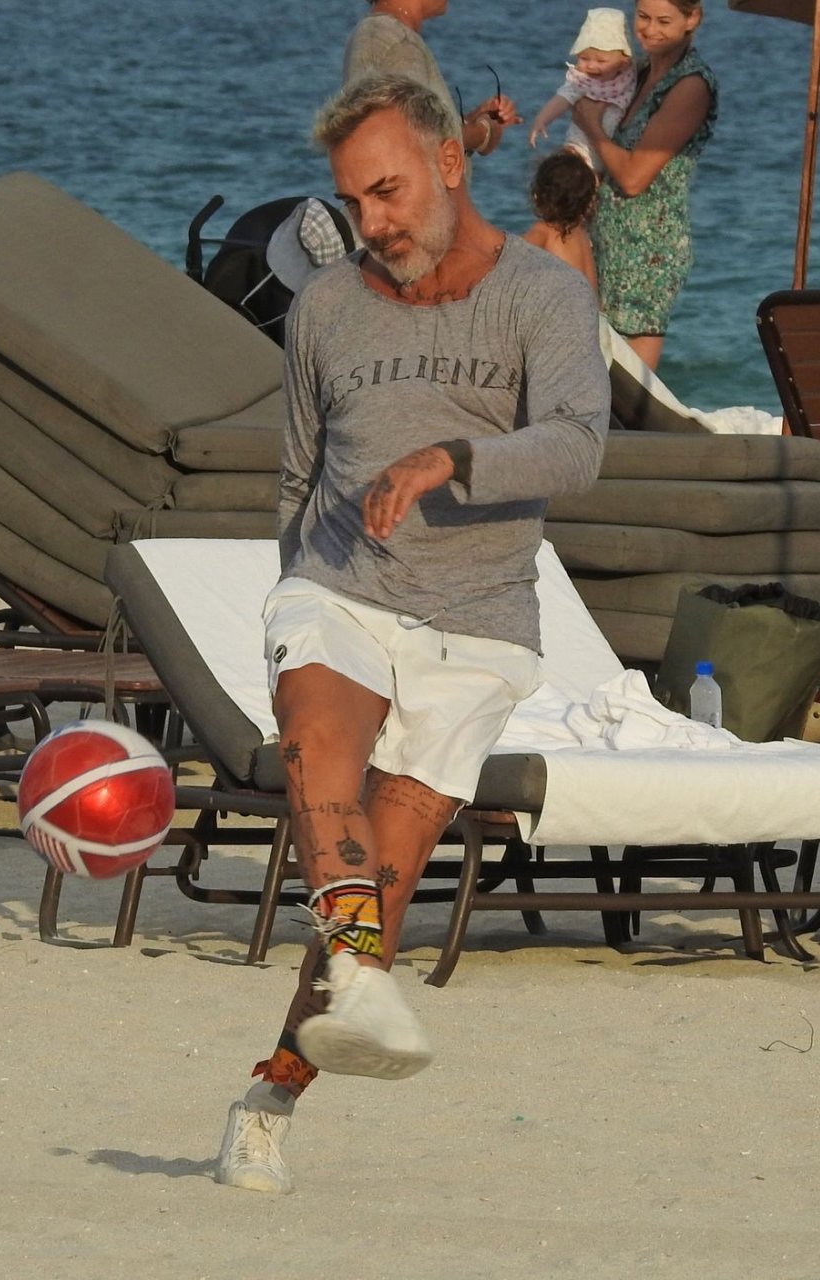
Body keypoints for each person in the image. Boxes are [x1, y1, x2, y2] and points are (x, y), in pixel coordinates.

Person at [214, 73, 609, 1195]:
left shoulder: (542, 294)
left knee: (374, 895)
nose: (371, 222)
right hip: (339, 585)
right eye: (352, 200)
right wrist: (294, 600)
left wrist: (451, 458)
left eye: (386, 192)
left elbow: (580, 444)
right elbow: (299, 474)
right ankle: (357, 975)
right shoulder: (327, 305)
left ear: (448, 162)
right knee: (317, 749)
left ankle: (270, 1096)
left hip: (480, 625)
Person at [573, 0, 716, 371]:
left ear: (692, 18)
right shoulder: (636, 72)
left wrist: (590, 125)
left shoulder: (690, 85)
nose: (650, 30)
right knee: (588, 370)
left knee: (628, 385)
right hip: (603, 236)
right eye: (643, 17)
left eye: (664, 21)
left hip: (648, 249)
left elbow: (635, 177)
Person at [344, 0, 519, 156]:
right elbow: (422, 139)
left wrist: (472, 118)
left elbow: (412, 129)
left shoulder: (380, 33)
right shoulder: (398, 43)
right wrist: (484, 132)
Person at [526, 8, 637, 173]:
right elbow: (561, 99)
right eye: (584, 58)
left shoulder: (630, 80)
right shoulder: (582, 81)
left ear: (623, 63)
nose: (591, 66)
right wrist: (542, 119)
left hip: (611, 153)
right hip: (579, 149)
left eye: (601, 61)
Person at [521, 150, 598, 290]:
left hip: (562, 303)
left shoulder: (544, 230)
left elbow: (515, 256)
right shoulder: (581, 234)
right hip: (588, 303)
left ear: (538, 195)